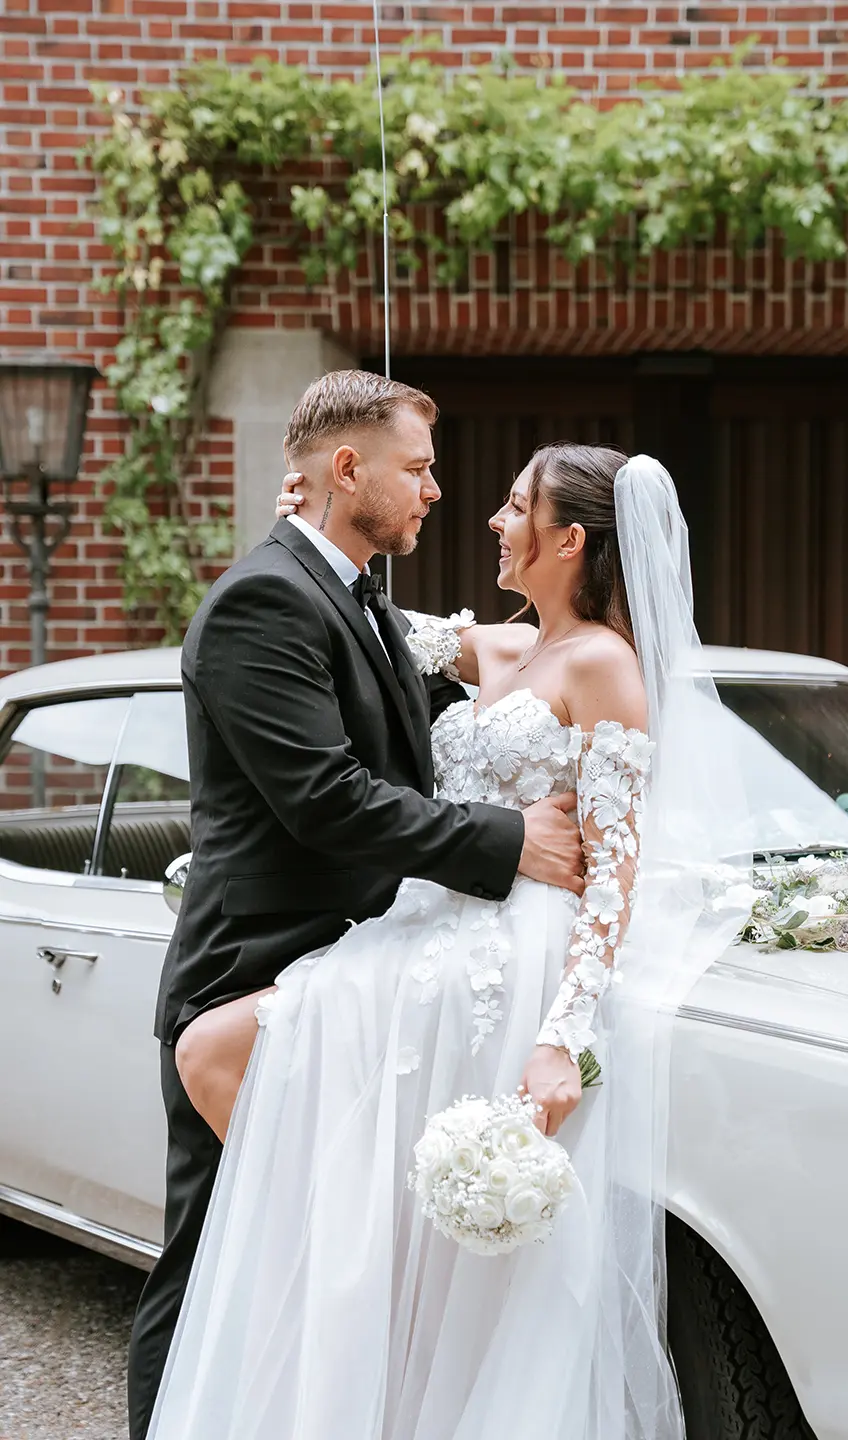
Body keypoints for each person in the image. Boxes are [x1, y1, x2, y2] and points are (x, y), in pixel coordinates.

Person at [146, 439, 748, 1439]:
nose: (491, 522)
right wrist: (304, 513)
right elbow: (351, 611)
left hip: (509, 963)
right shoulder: (508, 648)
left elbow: (616, 873)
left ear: (570, 540)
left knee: (221, 1050)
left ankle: (360, 1279)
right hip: (421, 929)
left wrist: (565, 1034)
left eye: (516, 508)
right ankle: (352, 1275)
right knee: (218, 1053)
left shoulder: (604, 664)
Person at [126, 371, 586, 1440]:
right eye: (419, 469)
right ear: (348, 469)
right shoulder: (264, 600)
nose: (436, 492)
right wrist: (511, 842)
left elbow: (453, 718)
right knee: (211, 1271)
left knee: (316, 1273)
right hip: (253, 977)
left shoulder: (360, 597)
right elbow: (324, 800)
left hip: (363, 982)